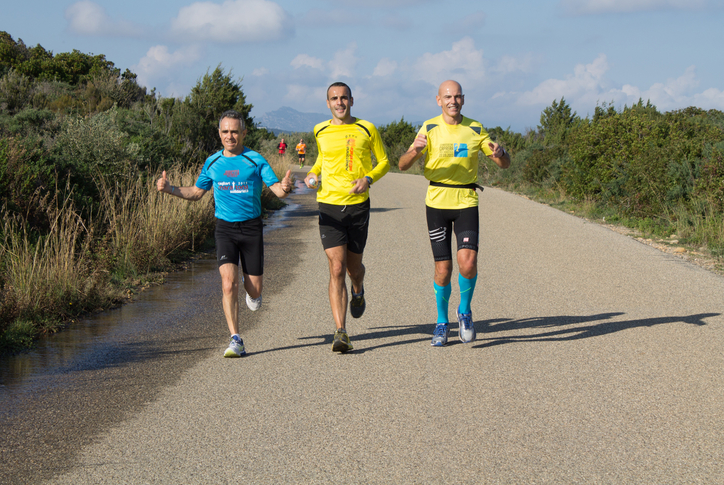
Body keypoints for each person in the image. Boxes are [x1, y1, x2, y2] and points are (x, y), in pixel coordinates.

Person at [157, 110, 294, 358]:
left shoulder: (255, 160)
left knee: (254, 291)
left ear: (243, 133)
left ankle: (251, 288)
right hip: (225, 229)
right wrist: (171, 189)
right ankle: (236, 339)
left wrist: (285, 188)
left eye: (234, 131)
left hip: (251, 228)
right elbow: (197, 193)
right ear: (219, 134)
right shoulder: (212, 163)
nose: (230, 136)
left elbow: (278, 191)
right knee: (227, 285)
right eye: (225, 131)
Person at [398, 80, 510, 347]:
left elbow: (503, 164)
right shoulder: (429, 127)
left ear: (463, 99)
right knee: (443, 268)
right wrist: (415, 150)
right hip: (437, 201)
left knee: (468, 263)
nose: (453, 101)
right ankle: (441, 322)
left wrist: (501, 153)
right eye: (447, 96)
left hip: (466, 200)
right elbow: (402, 165)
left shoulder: (474, 128)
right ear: (438, 100)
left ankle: (465, 311)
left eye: (457, 96)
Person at [305, 82, 389, 353]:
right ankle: (341, 332)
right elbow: (321, 159)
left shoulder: (367, 128)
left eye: (343, 98)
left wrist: (368, 178)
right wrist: (312, 174)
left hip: (358, 207)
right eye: (334, 98)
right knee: (336, 268)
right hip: (328, 205)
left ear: (352, 100)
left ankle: (359, 288)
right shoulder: (320, 130)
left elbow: (384, 161)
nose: (339, 102)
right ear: (327, 102)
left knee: (353, 268)